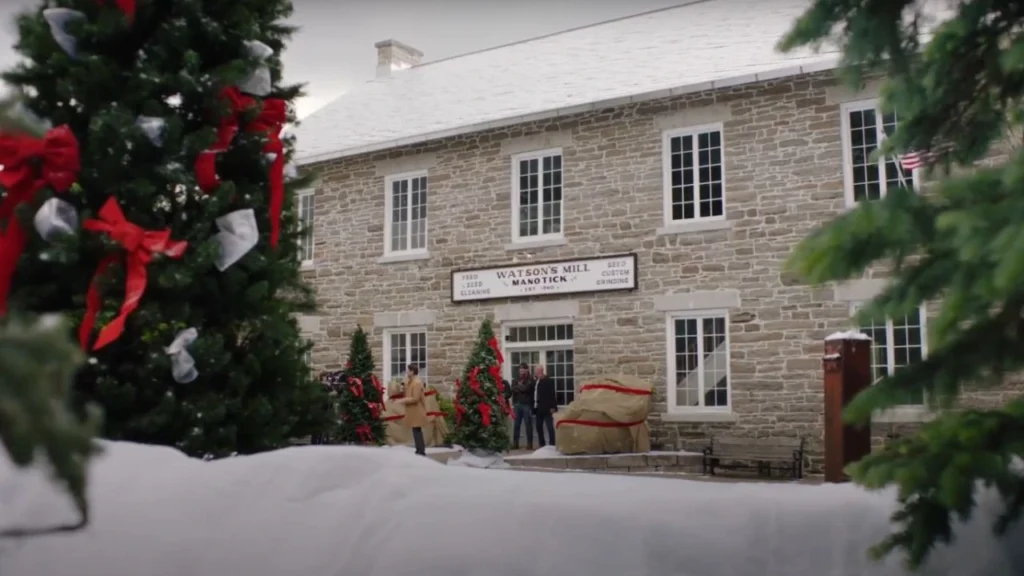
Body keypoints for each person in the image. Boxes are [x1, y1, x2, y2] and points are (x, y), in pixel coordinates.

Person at [399, 364, 428, 456]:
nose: (406, 372)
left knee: (417, 430)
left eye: (408, 370)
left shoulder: (417, 383)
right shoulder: (411, 381)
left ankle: (421, 450)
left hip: (417, 410)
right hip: (413, 410)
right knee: (415, 430)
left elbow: (415, 398)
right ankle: (419, 449)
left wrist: (402, 400)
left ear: (412, 371)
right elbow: (407, 393)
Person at [510, 363, 535, 450]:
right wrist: (520, 387)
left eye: (523, 369)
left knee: (528, 424)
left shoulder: (530, 379)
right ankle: (515, 443)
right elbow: (512, 389)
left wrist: (518, 387)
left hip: (526, 405)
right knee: (516, 424)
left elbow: (527, 389)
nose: (522, 370)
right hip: (517, 404)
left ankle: (529, 444)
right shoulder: (516, 378)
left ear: (527, 370)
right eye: (520, 369)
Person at [533, 366, 557, 447]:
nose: (535, 372)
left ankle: (552, 443)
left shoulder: (548, 380)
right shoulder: (536, 381)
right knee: (539, 426)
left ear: (540, 371)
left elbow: (552, 394)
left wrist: (553, 407)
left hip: (547, 407)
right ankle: (542, 444)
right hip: (538, 407)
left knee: (549, 426)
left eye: (535, 370)